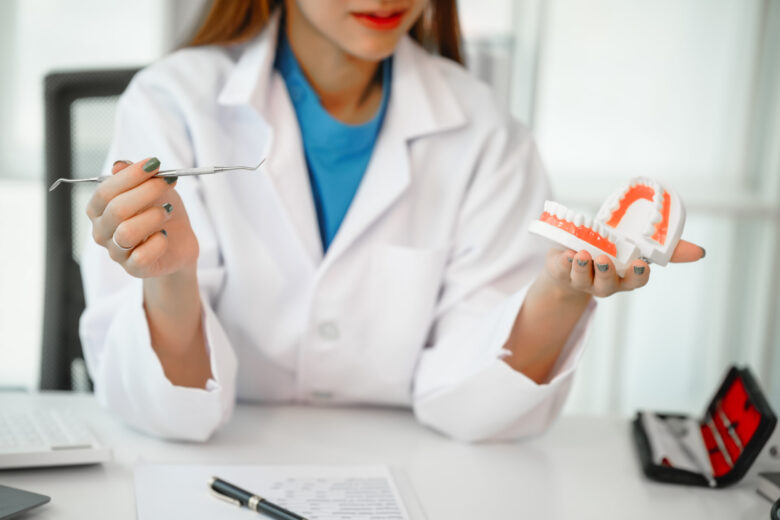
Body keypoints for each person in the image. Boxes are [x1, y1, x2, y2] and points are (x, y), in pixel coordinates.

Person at [80, 0, 704, 442]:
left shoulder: (485, 131)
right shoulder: (172, 103)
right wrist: (171, 276)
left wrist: (562, 293)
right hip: (214, 467)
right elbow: (169, 412)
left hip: (416, 474)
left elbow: (473, 408)